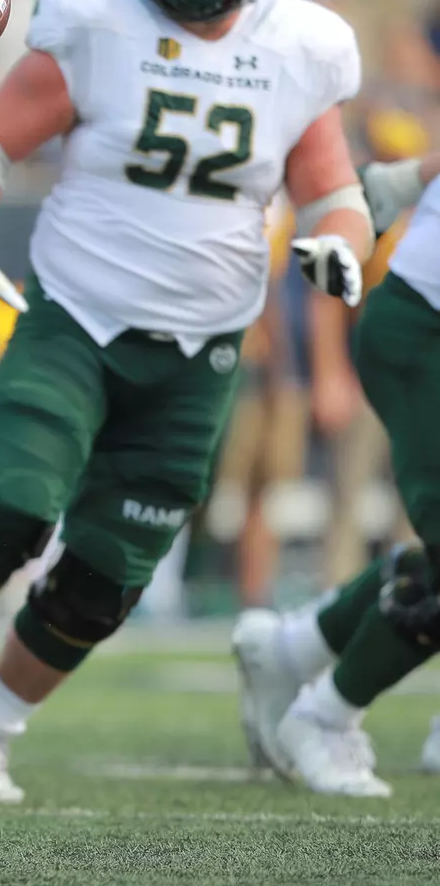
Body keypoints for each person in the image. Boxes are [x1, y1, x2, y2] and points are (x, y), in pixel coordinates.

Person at [0, 0, 374, 804]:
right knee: (6, 511)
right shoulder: (98, 21)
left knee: (101, 581)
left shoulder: (300, 47)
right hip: (77, 320)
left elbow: (331, 188)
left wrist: (338, 239)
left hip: (204, 349)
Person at [233, 149, 440, 797]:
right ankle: (323, 715)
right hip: (424, 324)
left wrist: (403, 180)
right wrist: (402, 181)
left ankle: (292, 650)